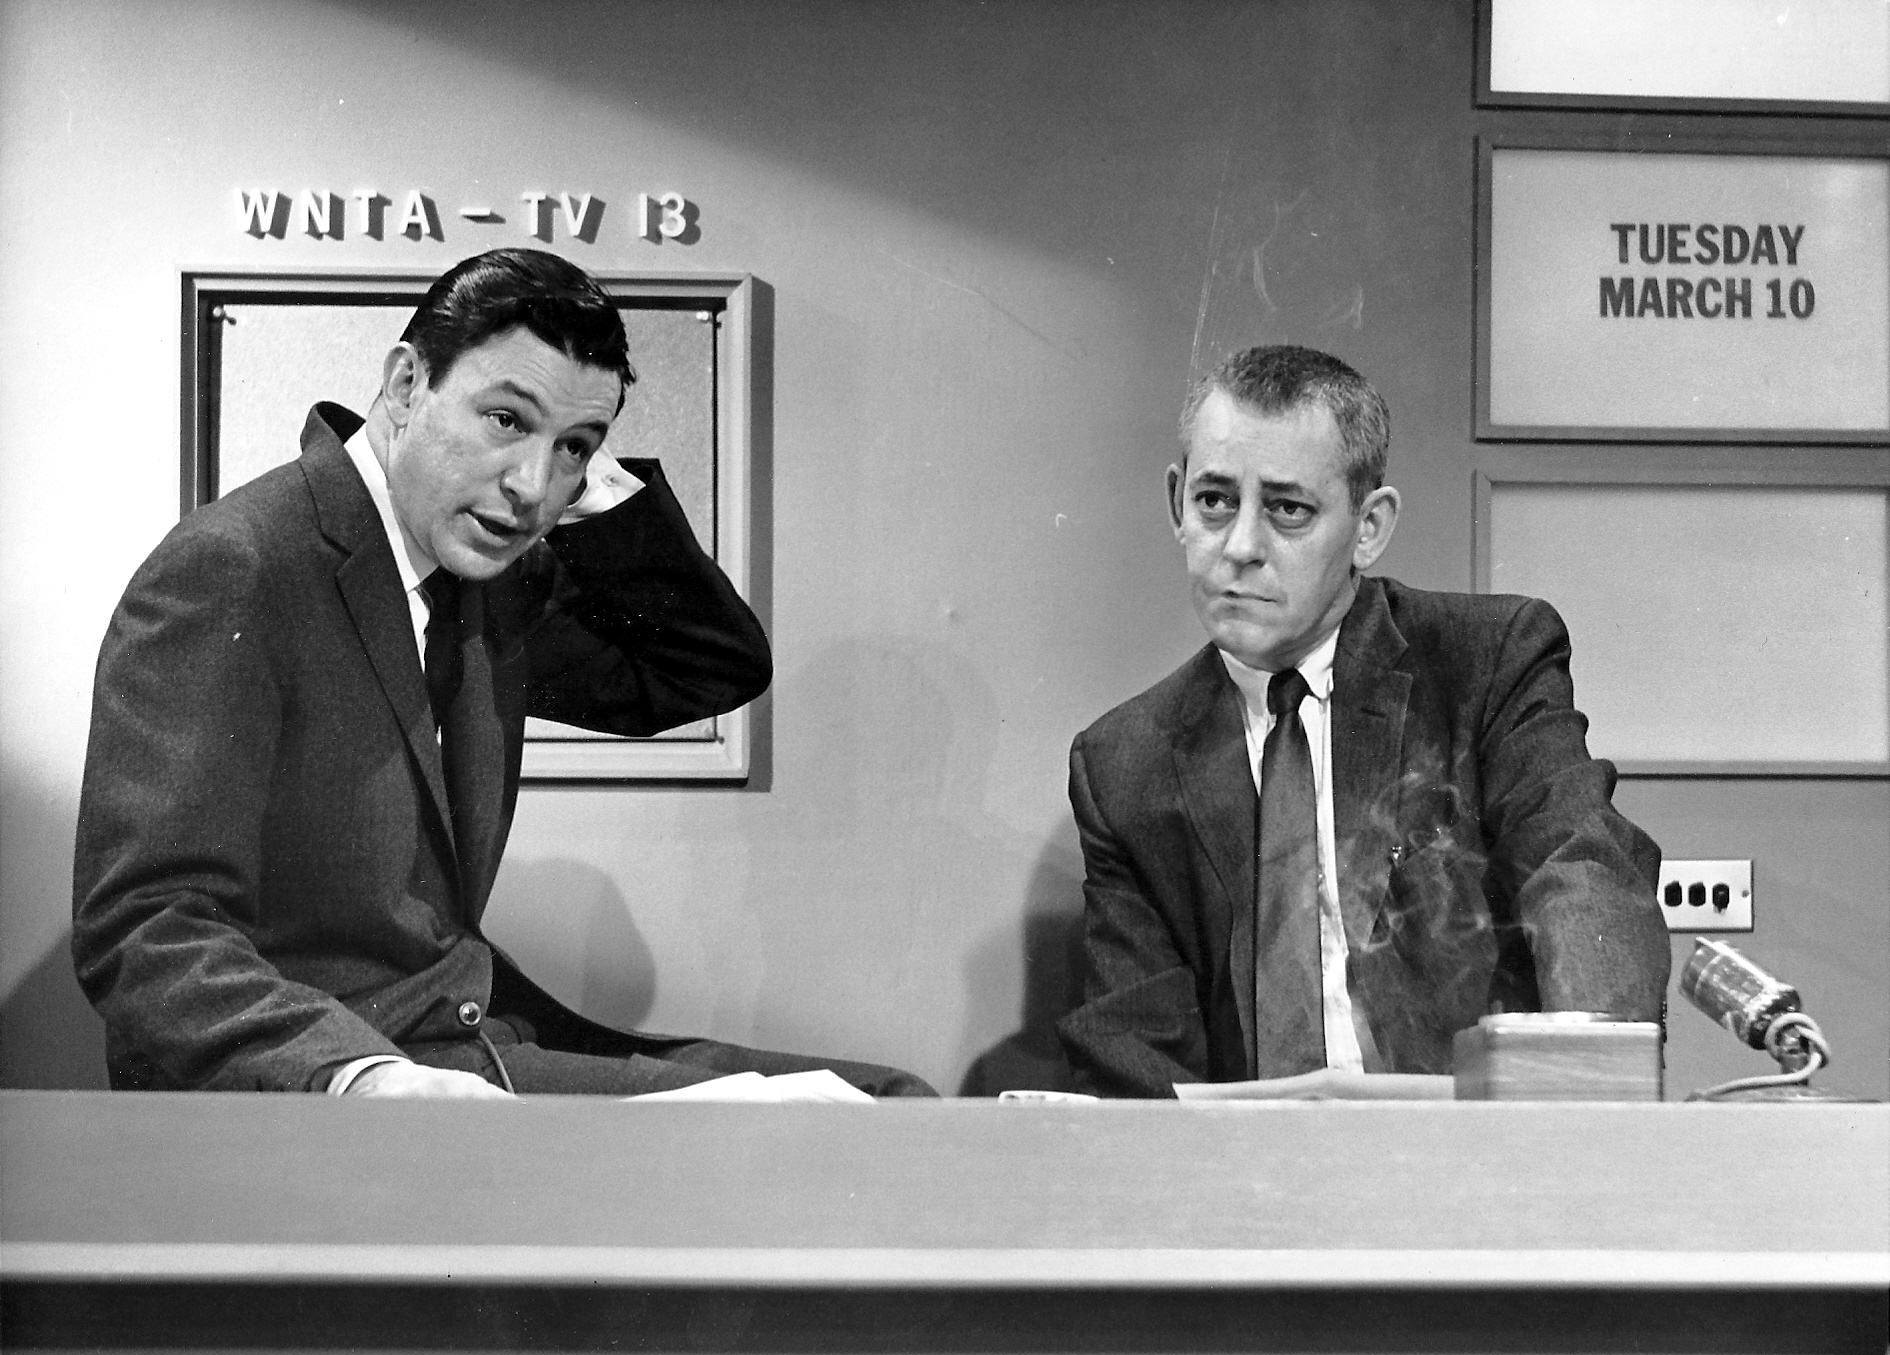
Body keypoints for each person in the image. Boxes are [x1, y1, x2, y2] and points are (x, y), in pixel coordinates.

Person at [73, 248, 932, 1098]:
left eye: (573, 448)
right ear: (405, 385)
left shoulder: (483, 582)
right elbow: (146, 928)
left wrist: (584, 471)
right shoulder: (239, 566)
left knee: (882, 1102)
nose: (532, 487)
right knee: (869, 1120)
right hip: (336, 1079)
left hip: (472, 1039)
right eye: (506, 420)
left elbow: (711, 667)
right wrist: (361, 1078)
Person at [1057, 345, 1668, 1098]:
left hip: (1471, 1148)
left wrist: (1593, 1091)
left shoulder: (1485, 663)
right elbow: (1132, 1051)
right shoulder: (1123, 764)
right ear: (1176, 502)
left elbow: (1581, 869)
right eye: (1214, 501)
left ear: (1369, 527)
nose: (1240, 547)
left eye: (1287, 509)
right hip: (1248, 1162)